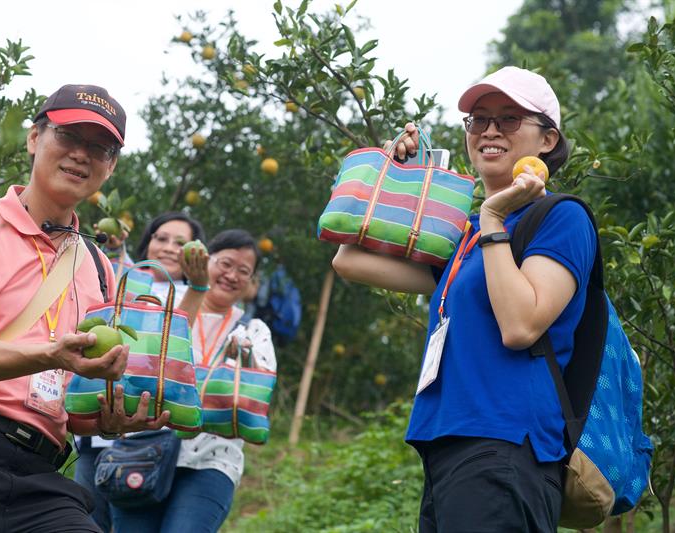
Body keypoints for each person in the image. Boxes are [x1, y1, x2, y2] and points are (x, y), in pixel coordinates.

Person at [0, 84, 169, 532]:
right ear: (34, 139)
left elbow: (65, 395)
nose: (81, 154)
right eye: (69, 137)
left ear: (111, 167)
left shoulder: (98, 268)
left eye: (98, 147)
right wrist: (51, 353)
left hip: (37, 474)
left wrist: (108, 420)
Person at [332, 66, 596, 531]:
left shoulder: (560, 218)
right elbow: (348, 258)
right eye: (478, 119)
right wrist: (394, 176)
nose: (490, 130)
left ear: (548, 141)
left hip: (507, 444)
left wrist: (494, 216)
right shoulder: (463, 236)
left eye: (509, 119)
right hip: (445, 446)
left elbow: (520, 326)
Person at [111, 229, 277, 533]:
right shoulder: (167, 308)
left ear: (251, 282)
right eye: (225, 264)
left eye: (244, 271)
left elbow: (256, 397)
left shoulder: (254, 330)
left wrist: (245, 360)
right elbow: (152, 361)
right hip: (143, 449)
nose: (232, 276)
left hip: (212, 461)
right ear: (205, 261)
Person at [75, 211, 209, 532]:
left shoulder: (190, 295)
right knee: (81, 520)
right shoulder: (125, 281)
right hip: (97, 425)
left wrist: (200, 286)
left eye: (180, 242)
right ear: (147, 242)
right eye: (160, 238)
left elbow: (176, 340)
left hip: (144, 438)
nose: (168, 247)